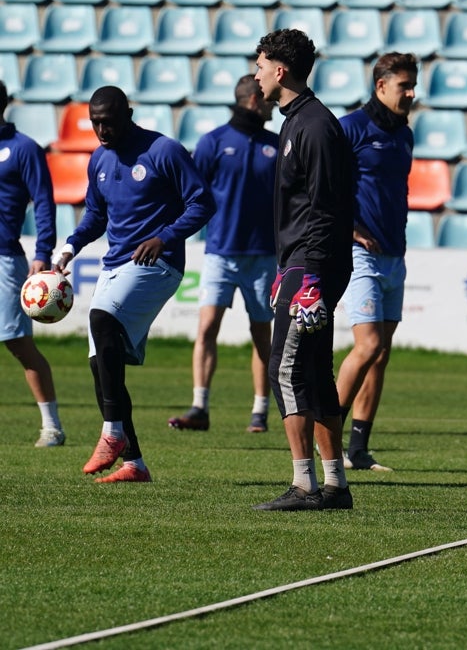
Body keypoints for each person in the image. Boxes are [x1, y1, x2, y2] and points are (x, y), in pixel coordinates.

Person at [54, 85, 215, 483]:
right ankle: (134, 463)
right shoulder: (99, 160)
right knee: (101, 364)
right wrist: (69, 247)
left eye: (108, 121)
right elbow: (95, 215)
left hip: (158, 262)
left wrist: (166, 237)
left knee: (101, 318)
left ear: (128, 113)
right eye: (95, 123)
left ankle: (112, 434)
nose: (102, 130)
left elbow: (202, 202)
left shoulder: (164, 151)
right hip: (115, 264)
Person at [251, 29, 355, 512]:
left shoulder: (313, 126)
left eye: (260, 64)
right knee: (313, 370)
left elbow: (327, 208)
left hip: (313, 264)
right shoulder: (296, 122)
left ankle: (305, 485)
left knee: (285, 369)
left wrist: (308, 276)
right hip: (302, 262)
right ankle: (335, 485)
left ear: (280, 70)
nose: (256, 73)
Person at [168, 75, 278, 434]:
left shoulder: (276, 144)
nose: (273, 104)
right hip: (220, 253)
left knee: (263, 334)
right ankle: (200, 407)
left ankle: (260, 411)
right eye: (267, 100)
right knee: (207, 328)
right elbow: (193, 195)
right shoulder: (213, 142)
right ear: (252, 101)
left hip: (263, 256)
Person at [334, 52, 417, 472]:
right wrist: (349, 228)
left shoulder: (404, 134)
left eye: (412, 84)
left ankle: (358, 449)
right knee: (366, 346)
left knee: (380, 353)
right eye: (404, 85)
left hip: (393, 255)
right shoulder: (349, 129)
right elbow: (322, 187)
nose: (411, 93)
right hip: (359, 254)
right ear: (381, 85)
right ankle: (325, 434)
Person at [0, 81, 66, 448]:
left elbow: (43, 202)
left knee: (18, 343)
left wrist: (42, 251)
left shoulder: (23, 149)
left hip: (5, 258)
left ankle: (51, 426)